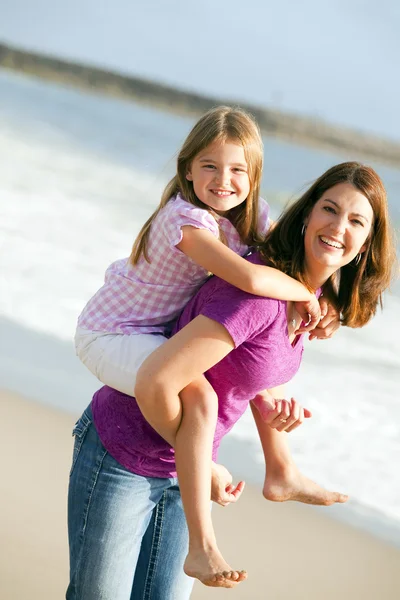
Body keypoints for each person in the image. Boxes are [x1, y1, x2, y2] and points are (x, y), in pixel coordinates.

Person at [67, 161, 397, 599]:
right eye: (329, 209)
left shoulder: (306, 294)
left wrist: (269, 408)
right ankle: (210, 540)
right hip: (124, 454)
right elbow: (158, 381)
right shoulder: (260, 296)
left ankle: (282, 473)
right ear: (306, 215)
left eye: (356, 220)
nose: (338, 226)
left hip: (184, 471)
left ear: (367, 244)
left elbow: (244, 365)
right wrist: (209, 467)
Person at [74, 105, 325, 581]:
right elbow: (250, 277)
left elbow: (283, 269)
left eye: (237, 169)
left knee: (205, 386)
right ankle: (203, 531)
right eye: (209, 165)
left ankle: (281, 468)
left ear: (254, 176)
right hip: (110, 332)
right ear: (187, 169)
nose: (223, 180)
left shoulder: (253, 219)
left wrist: (320, 301)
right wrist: (301, 294)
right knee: (198, 394)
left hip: (155, 333)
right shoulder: (185, 219)